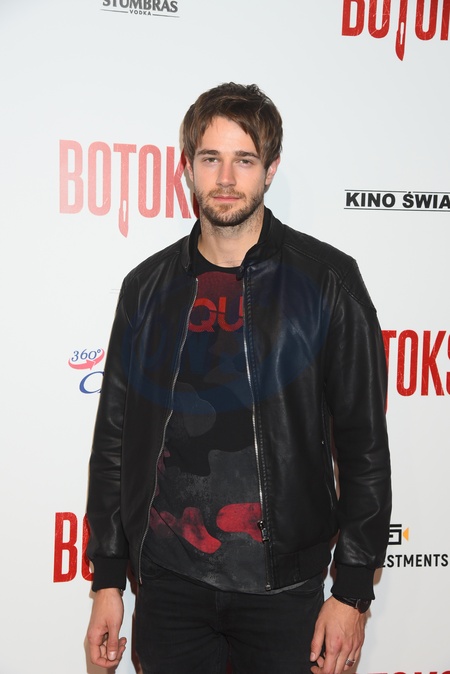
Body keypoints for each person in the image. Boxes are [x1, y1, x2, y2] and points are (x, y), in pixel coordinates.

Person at [86, 82, 391, 674]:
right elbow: (114, 441)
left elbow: (364, 448)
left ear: (270, 170)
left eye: (244, 160)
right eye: (211, 158)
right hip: (169, 585)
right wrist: (108, 578)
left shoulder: (327, 282)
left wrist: (353, 591)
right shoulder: (145, 289)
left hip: (284, 590)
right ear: (187, 168)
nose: (225, 178)